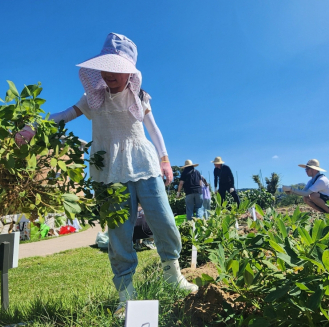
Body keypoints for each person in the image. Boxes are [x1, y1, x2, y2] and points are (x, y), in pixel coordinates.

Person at [15, 33, 197, 317]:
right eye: (106, 66)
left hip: (144, 164)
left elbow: (154, 129)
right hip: (109, 169)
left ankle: (172, 274)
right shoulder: (93, 99)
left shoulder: (139, 96)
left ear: (129, 72)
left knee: (164, 220)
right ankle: (126, 295)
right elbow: (62, 115)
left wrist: (165, 160)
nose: (110, 73)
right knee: (119, 233)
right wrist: (33, 128)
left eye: (118, 68)